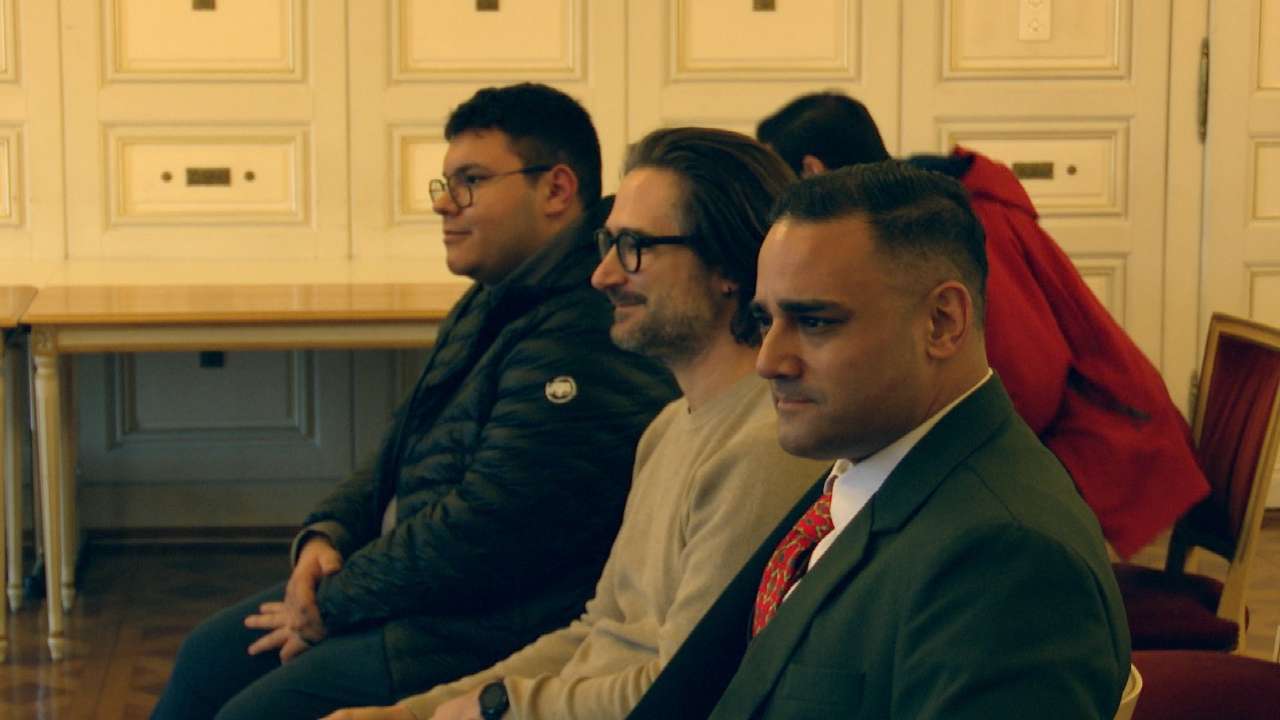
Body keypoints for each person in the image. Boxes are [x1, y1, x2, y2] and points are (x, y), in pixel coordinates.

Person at [151, 83, 679, 720]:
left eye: (471, 182)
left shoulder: (587, 328)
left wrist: (331, 602)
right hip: (418, 600)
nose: (444, 204)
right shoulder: (493, 297)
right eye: (445, 184)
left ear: (556, 189)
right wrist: (326, 535)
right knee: (207, 656)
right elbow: (398, 447)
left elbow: (489, 530)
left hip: (481, 629)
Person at [322, 128, 828, 720]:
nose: (603, 275)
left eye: (634, 247)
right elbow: (597, 632)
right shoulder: (668, 426)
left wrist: (491, 708)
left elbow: (682, 690)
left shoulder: (761, 448)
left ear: (728, 267)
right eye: (607, 244)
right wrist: (415, 713)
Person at [628, 162, 1132, 719]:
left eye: (815, 322)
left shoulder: (1006, 562)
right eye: (766, 320)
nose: (769, 360)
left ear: (941, 322)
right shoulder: (865, 464)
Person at [756, 91, 1207, 557]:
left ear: (811, 170)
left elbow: (1032, 382)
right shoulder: (932, 216)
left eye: (815, 321)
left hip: (1106, 453)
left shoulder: (953, 233)